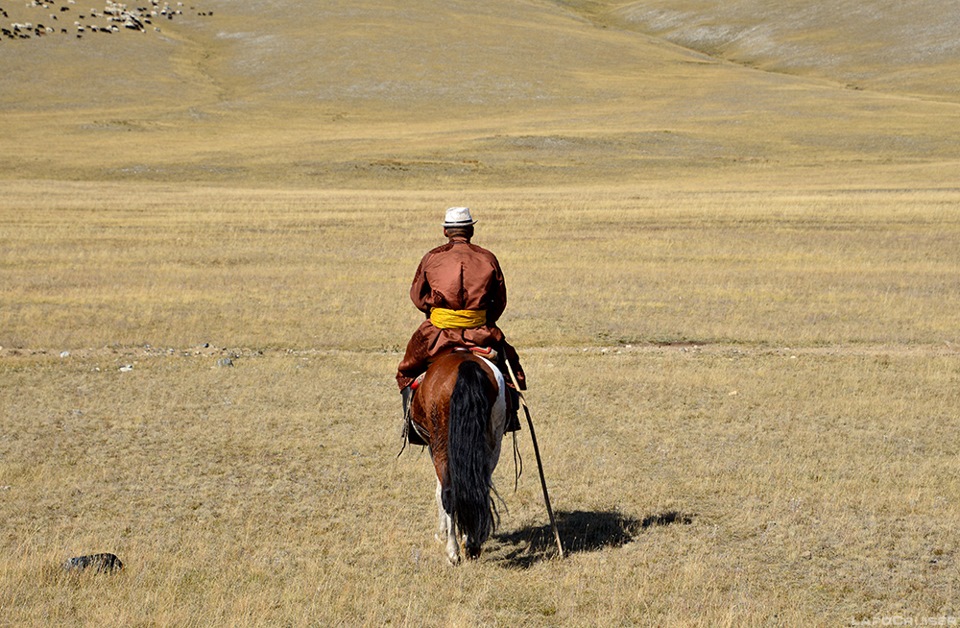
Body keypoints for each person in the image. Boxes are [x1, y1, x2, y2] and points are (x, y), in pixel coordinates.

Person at [397, 207, 525, 441]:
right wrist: (481, 320)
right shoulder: (488, 258)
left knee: (407, 370)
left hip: (438, 334)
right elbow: (500, 301)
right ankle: (510, 416)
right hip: (481, 333)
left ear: (446, 231)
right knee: (510, 372)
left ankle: (413, 428)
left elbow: (417, 297)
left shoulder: (432, 257)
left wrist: (437, 309)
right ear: (471, 230)